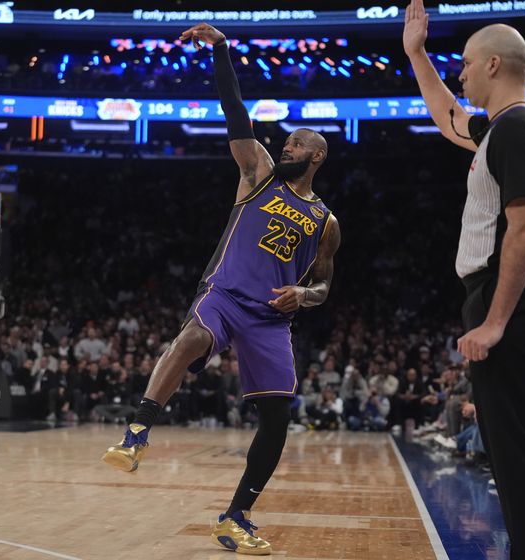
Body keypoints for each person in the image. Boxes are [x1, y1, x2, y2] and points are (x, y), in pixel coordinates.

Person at [102, 22, 341, 556]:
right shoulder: (259, 172)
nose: (288, 144)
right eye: (286, 140)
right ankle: (138, 431)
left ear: (317, 155)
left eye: (298, 142)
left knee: (277, 419)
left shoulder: (326, 220)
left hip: (272, 318)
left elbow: (324, 284)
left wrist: (303, 297)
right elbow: (236, 114)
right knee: (189, 338)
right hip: (227, 293)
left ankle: (237, 516)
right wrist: (223, 53)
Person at [403, 2, 525, 557]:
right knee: (506, 447)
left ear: (494, 65)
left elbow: (524, 228)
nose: (461, 74)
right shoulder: (502, 129)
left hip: (511, 301)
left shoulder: (518, 129)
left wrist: (495, 321)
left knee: (515, 448)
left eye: (466, 64)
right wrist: (416, 55)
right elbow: (447, 116)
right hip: (502, 296)